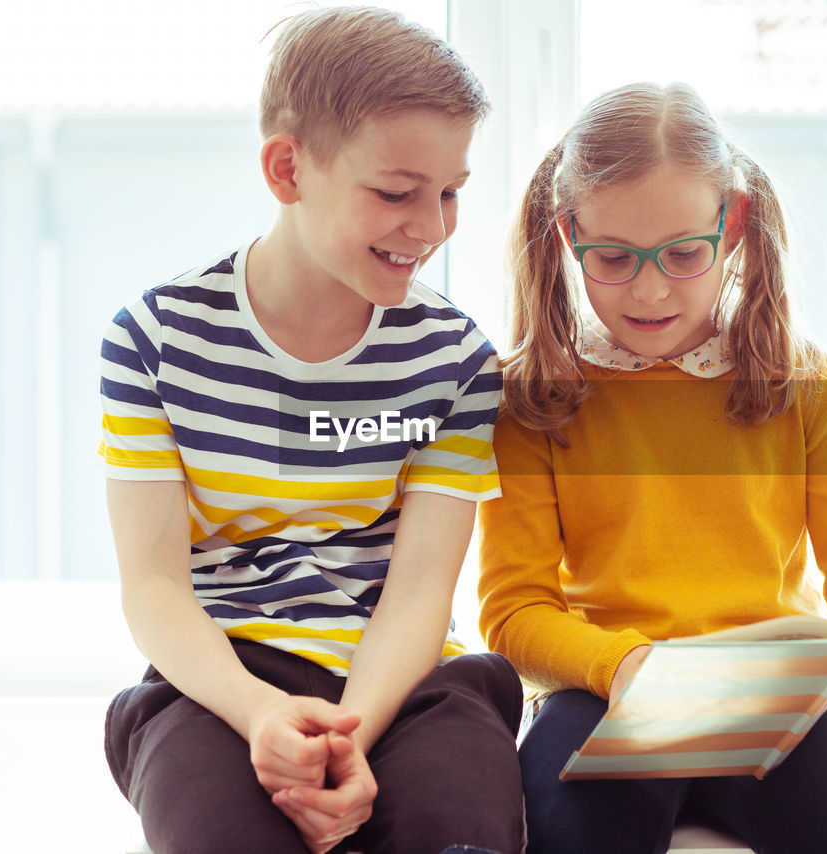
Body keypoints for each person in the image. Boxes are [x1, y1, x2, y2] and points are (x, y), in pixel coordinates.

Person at [477, 82, 827, 854]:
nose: (649, 288)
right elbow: (514, 616)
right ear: (568, 234)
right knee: (571, 831)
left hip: (771, 701)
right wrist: (625, 664)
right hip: (604, 695)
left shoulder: (802, 383)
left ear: (732, 225)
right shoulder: (535, 399)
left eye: (681, 254)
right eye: (613, 258)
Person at [99, 8, 524, 854]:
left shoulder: (457, 358)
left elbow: (417, 592)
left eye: (450, 193)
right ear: (287, 168)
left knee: (463, 830)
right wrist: (260, 714)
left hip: (410, 683)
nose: (433, 228)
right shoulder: (155, 340)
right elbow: (154, 587)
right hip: (220, 685)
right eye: (397, 193)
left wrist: (349, 741)